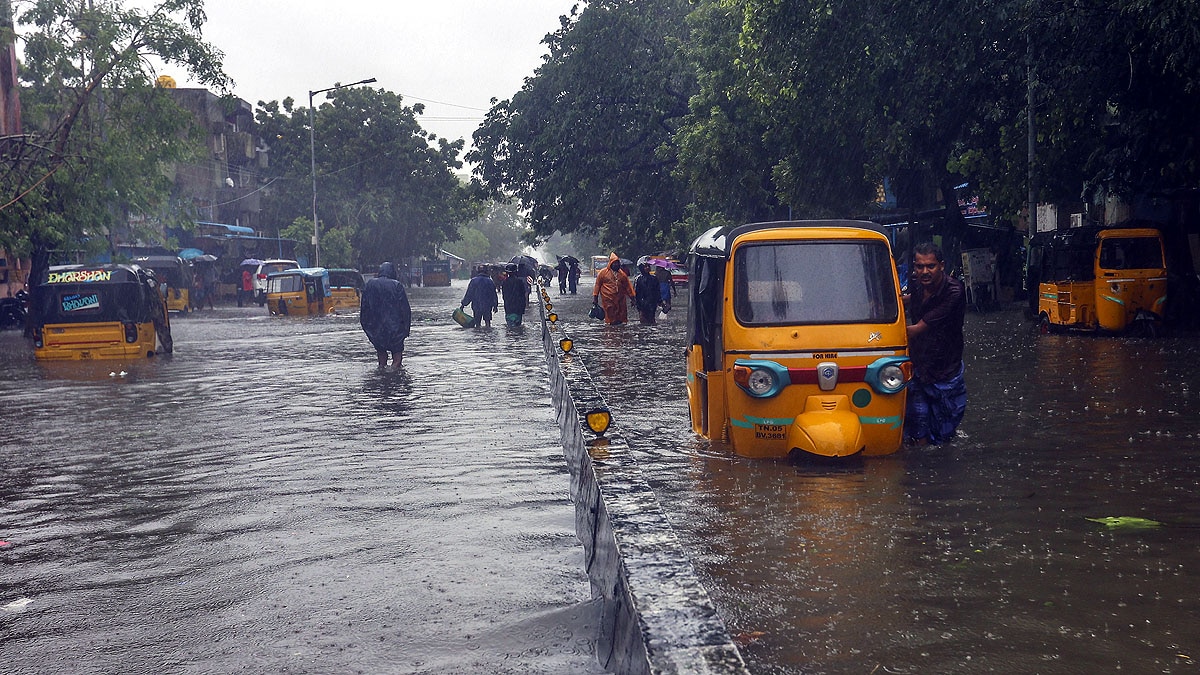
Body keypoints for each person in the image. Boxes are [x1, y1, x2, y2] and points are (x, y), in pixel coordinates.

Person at [904, 242, 967, 445]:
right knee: (917, 430)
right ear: (914, 266)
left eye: (930, 266)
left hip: (945, 371)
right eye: (919, 266)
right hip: (918, 367)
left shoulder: (954, 292)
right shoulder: (916, 283)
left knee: (942, 436)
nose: (924, 272)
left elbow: (918, 328)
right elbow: (912, 299)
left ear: (941, 265)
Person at [360, 262, 412, 369]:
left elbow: (364, 309)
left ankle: (382, 378)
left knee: (381, 359)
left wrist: (367, 328)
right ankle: (393, 376)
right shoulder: (397, 285)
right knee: (397, 359)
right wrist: (406, 330)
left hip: (376, 329)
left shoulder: (369, 285)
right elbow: (405, 310)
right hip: (395, 329)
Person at [592, 253, 635, 325]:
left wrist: (633, 298)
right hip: (608, 299)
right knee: (610, 317)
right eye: (615, 263)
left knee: (621, 316)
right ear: (611, 263)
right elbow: (597, 286)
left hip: (620, 299)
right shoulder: (603, 273)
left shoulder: (622, 274)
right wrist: (595, 299)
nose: (616, 265)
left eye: (618, 263)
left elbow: (628, 287)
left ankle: (619, 332)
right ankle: (611, 330)